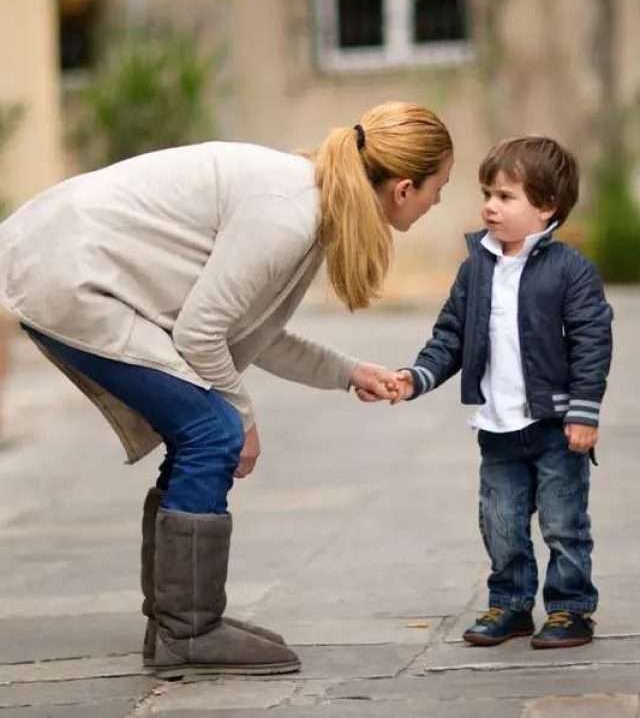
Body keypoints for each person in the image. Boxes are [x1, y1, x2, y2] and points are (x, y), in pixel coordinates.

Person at [0, 101, 454, 678]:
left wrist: (348, 371)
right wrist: (243, 420)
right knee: (212, 431)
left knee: (203, 428)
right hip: (67, 274)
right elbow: (202, 331)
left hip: (67, 266)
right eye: (440, 188)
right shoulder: (291, 212)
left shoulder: (311, 204)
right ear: (404, 188)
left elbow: (252, 332)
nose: (438, 201)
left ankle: (177, 622)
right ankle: (188, 630)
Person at [368, 136, 613, 649]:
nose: (489, 206)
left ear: (546, 206)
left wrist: (584, 413)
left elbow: (592, 342)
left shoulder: (570, 272)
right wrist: (416, 377)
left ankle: (570, 610)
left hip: (555, 425)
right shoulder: (475, 267)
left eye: (505, 196)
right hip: (498, 427)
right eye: (487, 194)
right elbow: (451, 336)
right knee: (500, 522)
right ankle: (511, 604)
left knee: (564, 524)